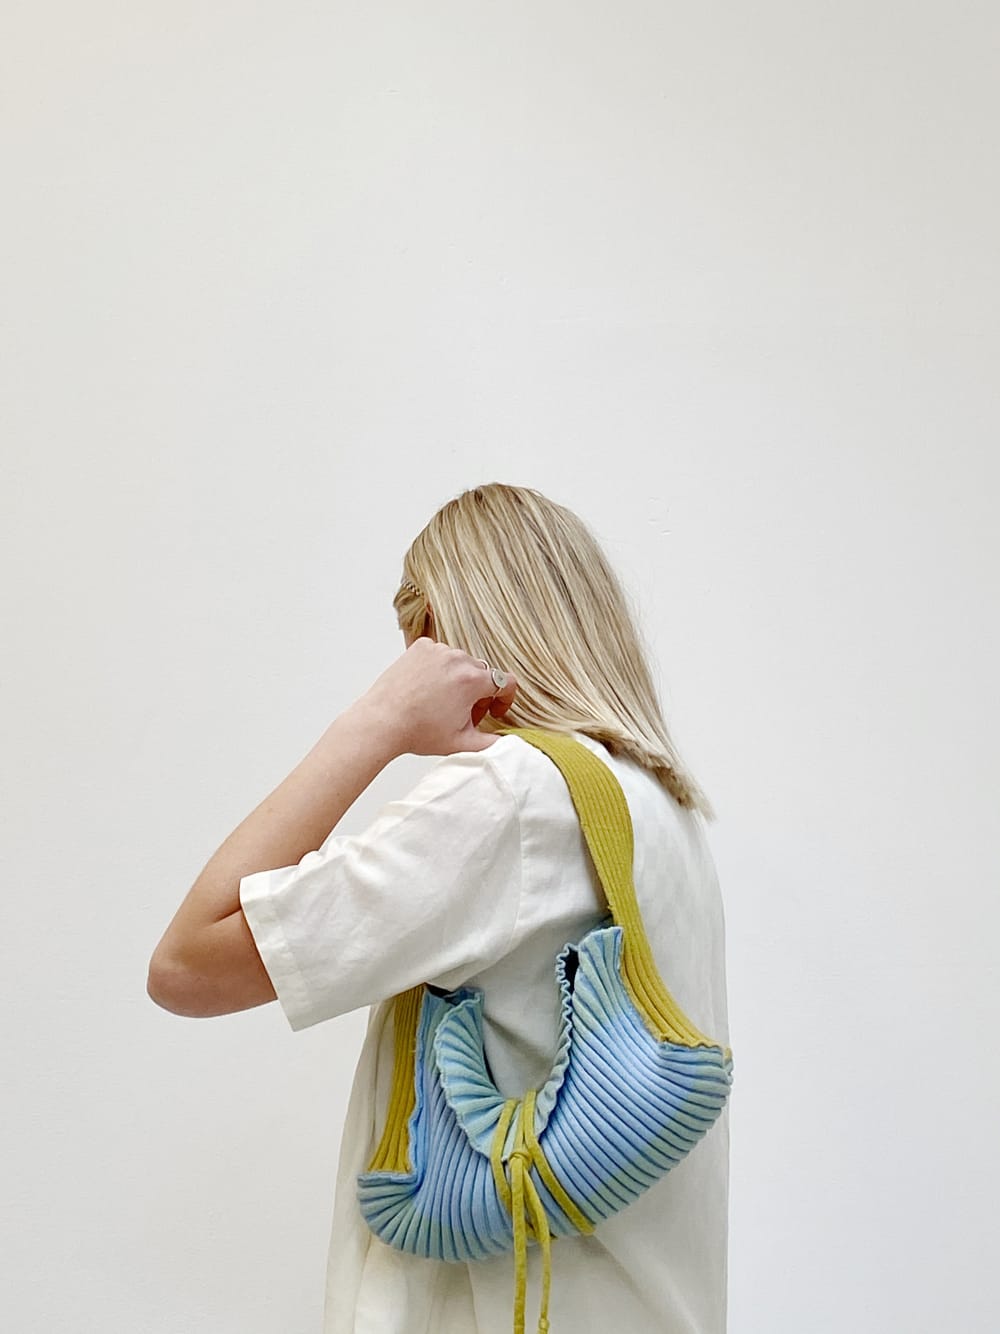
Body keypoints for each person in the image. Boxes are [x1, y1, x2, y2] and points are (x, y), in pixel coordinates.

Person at [147, 482, 732, 1334]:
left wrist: (375, 722)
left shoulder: (512, 799)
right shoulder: (660, 807)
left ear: (440, 634)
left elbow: (187, 965)